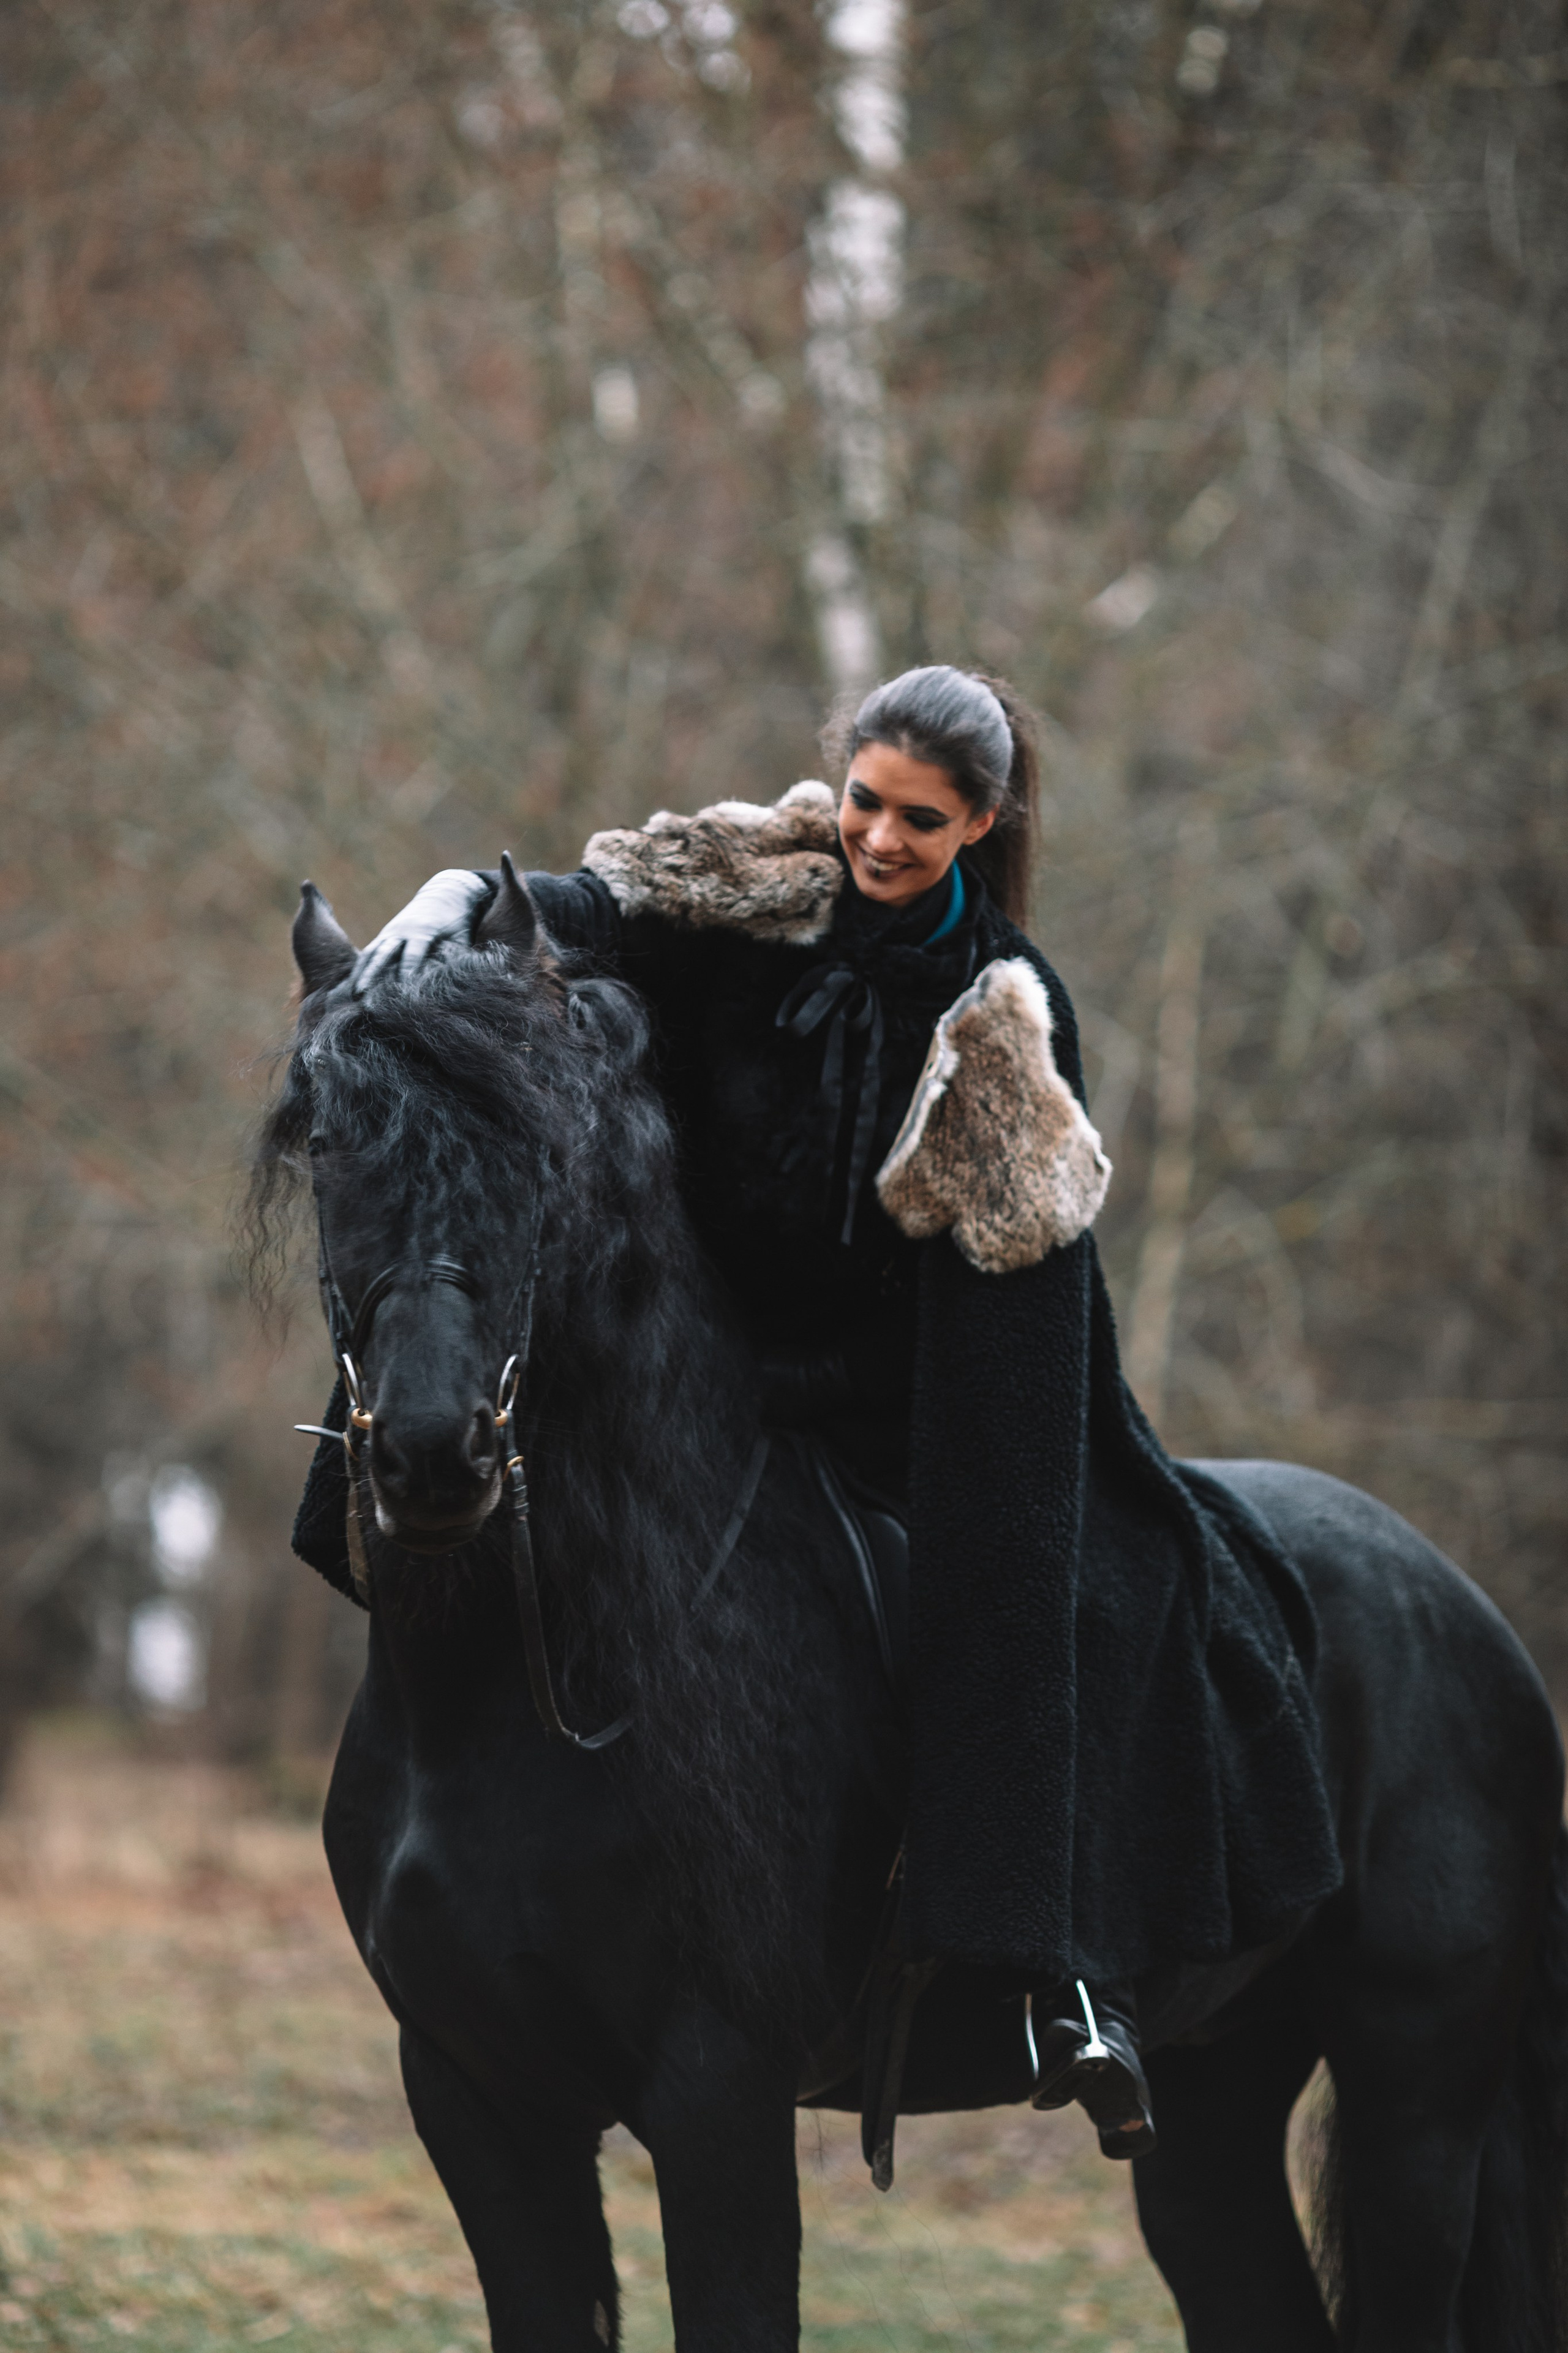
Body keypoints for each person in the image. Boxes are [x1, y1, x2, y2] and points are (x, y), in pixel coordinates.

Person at [295, 665, 1342, 2158]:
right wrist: (459, 889)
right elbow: (588, 911)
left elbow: (1000, 1297)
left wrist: (818, 1389)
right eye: (864, 801)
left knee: (1073, 1598)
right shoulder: (750, 891)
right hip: (694, 1374)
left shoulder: (1001, 1017)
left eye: (921, 819)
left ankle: (1061, 1969)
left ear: (979, 825)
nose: (880, 838)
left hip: (900, 1403)